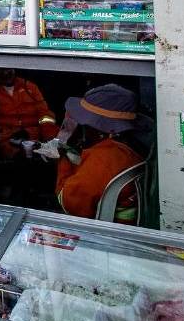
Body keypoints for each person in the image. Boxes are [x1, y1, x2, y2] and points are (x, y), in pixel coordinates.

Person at [52, 84, 146, 222]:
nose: (81, 126)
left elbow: (70, 204)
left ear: (101, 128)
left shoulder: (102, 160)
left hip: (109, 235)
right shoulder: (132, 146)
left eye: (84, 122)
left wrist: (63, 161)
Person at [0, 68, 58, 158]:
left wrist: (48, 136)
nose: (5, 73)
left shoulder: (30, 87)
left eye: (9, 69)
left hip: (35, 134)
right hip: (7, 138)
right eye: (0, 69)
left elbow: (45, 114)